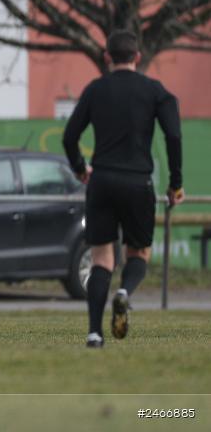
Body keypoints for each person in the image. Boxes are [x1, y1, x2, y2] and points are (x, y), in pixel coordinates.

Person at [63, 31, 184, 349]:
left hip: (101, 180)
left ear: (106, 57)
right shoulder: (155, 91)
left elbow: (69, 136)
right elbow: (173, 135)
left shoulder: (95, 89)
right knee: (138, 253)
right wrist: (176, 182)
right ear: (138, 57)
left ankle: (93, 333)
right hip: (137, 181)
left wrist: (79, 168)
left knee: (102, 258)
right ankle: (124, 293)